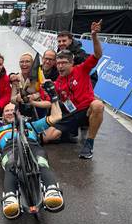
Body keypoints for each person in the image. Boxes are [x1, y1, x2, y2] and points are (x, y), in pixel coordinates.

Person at [0, 81, 64, 219]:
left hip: (32, 145)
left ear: (18, 113)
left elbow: (56, 116)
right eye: (7, 111)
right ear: (3, 115)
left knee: (41, 161)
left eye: (12, 110)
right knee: (10, 165)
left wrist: (54, 98)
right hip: (10, 149)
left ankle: (51, 190)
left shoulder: (31, 125)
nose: (10, 112)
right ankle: (10, 197)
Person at [44, 20, 105, 159]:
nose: (60, 66)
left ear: (72, 63)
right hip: (70, 113)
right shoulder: (57, 81)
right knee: (47, 138)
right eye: (58, 63)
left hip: (85, 111)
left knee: (97, 105)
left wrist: (94, 36)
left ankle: (89, 143)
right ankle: (67, 135)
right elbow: (49, 101)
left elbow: (97, 55)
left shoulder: (81, 68)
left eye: (64, 63)